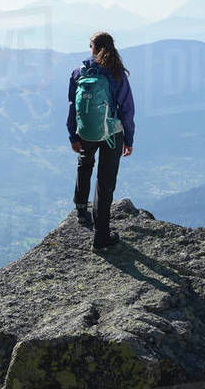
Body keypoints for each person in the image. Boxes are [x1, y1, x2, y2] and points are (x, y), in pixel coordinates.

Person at [67, 31, 135, 249]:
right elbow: (127, 109)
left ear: (92, 48)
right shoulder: (116, 75)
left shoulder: (79, 72)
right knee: (105, 183)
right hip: (112, 134)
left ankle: (80, 209)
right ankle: (101, 237)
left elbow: (73, 107)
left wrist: (73, 135)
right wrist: (129, 138)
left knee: (85, 163)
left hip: (86, 131)